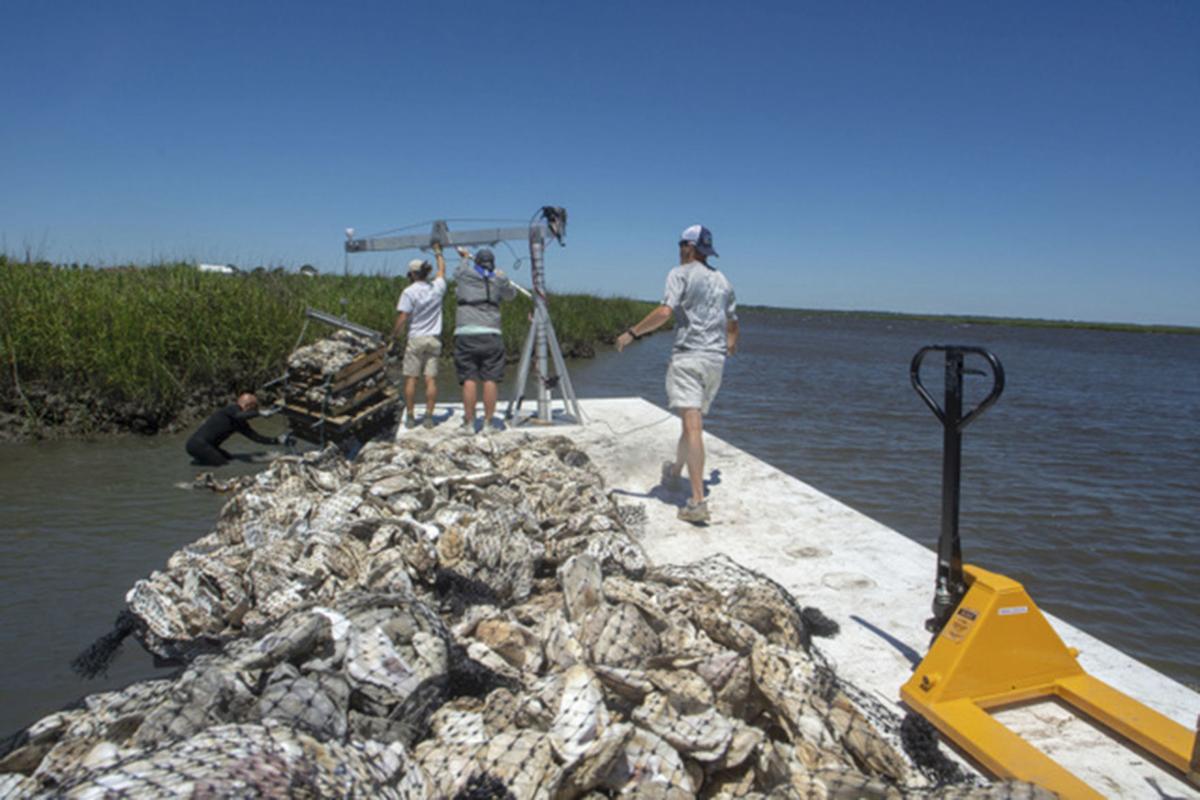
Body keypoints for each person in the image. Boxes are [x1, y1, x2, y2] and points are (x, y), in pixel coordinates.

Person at [616, 224, 739, 524]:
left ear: (689, 247)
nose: (680, 251)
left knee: (693, 427)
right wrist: (729, 347)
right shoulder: (723, 280)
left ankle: (697, 500)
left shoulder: (680, 274)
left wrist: (631, 333)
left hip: (688, 358)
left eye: (681, 246)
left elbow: (664, 312)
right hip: (714, 362)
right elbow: (732, 323)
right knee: (690, 423)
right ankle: (674, 473)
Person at [453, 246, 517, 433]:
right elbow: (511, 295)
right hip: (491, 333)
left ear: (477, 262)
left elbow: (459, 271)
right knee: (490, 379)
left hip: (466, 333)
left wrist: (464, 256)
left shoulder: (466, 274)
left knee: (469, 379)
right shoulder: (498, 279)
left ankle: (470, 424)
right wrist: (503, 278)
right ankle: (488, 424)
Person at [391, 242, 448, 429]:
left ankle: (410, 416)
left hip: (416, 338)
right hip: (433, 339)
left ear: (413, 274)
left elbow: (403, 316)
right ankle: (429, 417)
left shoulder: (409, 292)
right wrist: (438, 252)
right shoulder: (437, 288)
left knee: (411, 378)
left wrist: (394, 335)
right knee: (430, 379)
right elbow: (441, 270)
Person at [185, 392, 288, 466]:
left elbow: (256, 438)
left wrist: (277, 440)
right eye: (255, 407)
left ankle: (201, 462)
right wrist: (259, 413)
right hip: (197, 445)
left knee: (230, 458)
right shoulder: (230, 410)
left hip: (207, 446)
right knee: (224, 465)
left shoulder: (239, 423)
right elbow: (239, 416)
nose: (255, 409)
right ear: (248, 406)